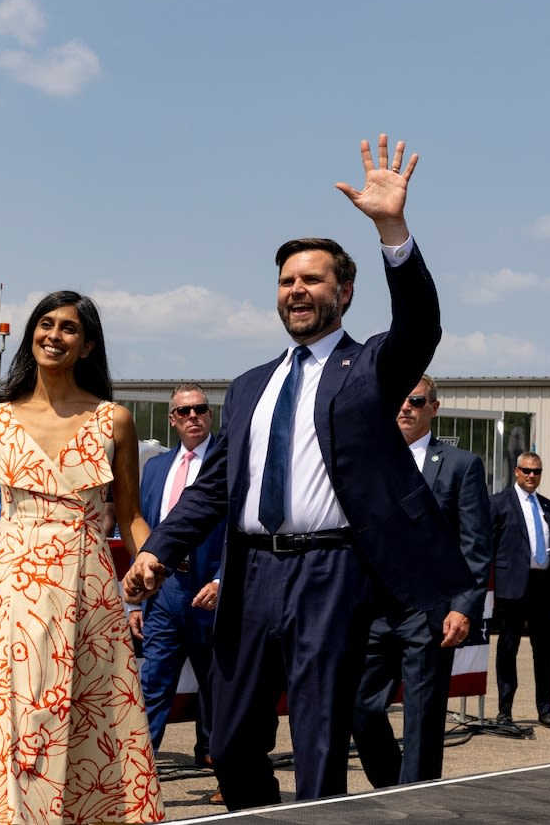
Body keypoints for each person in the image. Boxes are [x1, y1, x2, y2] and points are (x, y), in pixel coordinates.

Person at [124, 135, 474, 809]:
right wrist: (158, 549)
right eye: (287, 282)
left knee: (318, 740)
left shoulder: (370, 368)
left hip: (330, 573)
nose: (297, 291)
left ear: (344, 290)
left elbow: (422, 324)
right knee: (228, 741)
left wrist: (392, 229)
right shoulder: (250, 386)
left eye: (312, 280)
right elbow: (212, 488)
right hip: (250, 575)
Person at [0, 291, 163, 824]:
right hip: (9, 582)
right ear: (31, 335)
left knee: (81, 719)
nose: (54, 335)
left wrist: (148, 558)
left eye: (69, 328)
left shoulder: (114, 419)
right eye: (45, 324)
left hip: (87, 585)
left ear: (87, 345)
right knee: (1, 716)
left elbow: (131, 516)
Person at [352, 375, 492, 785]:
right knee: (360, 706)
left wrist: (464, 607)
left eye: (415, 400)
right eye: (398, 399)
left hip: (430, 612)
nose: (405, 407)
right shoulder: (365, 462)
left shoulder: (461, 466)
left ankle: (416, 803)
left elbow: (475, 546)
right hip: (374, 609)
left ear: (434, 406)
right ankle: (393, 786)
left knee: (423, 716)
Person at [132, 384, 225, 774]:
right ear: (172, 419)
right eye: (184, 411)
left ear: (210, 414)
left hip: (212, 591)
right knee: (152, 683)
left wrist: (223, 579)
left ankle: (225, 769)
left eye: (200, 409)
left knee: (219, 689)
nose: (193, 417)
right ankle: (138, 772)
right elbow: (144, 532)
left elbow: (242, 528)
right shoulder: (155, 468)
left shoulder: (229, 462)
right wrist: (137, 600)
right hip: (165, 593)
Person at [491, 451, 550, 728]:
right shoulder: (498, 504)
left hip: (544, 587)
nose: (532, 476)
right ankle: (505, 710)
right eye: (527, 471)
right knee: (508, 648)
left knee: (545, 651)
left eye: (537, 472)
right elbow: (487, 547)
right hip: (512, 587)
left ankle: (545, 709)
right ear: (517, 472)